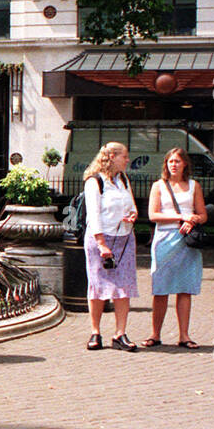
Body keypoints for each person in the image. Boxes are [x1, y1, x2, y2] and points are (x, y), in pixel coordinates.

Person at [145, 148, 207, 349]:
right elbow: (153, 215)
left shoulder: (193, 186)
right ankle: (155, 334)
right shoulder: (158, 186)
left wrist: (193, 219)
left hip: (186, 241)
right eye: (171, 161)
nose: (174, 165)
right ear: (166, 164)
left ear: (185, 164)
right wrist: (181, 217)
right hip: (165, 238)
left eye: (178, 161)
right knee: (161, 288)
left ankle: (184, 335)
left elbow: (203, 214)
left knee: (184, 288)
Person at [83, 141, 139, 351]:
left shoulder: (123, 179)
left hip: (124, 238)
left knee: (123, 287)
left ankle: (120, 334)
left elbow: (131, 205)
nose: (127, 160)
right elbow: (93, 215)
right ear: (112, 156)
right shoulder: (94, 182)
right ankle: (95, 332)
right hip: (101, 239)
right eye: (124, 156)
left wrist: (132, 215)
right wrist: (101, 244)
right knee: (98, 286)